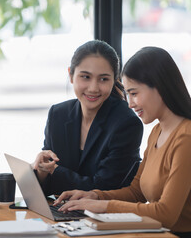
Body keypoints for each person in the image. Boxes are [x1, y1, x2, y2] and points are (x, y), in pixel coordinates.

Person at [54, 47, 191, 237]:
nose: (130, 104)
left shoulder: (188, 138)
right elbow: (137, 192)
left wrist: (103, 206)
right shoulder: (158, 131)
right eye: (128, 94)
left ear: (160, 87)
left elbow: (166, 214)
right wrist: (94, 196)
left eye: (134, 93)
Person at [32, 40, 143, 196]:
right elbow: (49, 189)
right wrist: (42, 170)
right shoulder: (58, 114)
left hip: (106, 217)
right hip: (62, 214)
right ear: (71, 75)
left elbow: (104, 188)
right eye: (85, 77)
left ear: (114, 80)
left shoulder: (126, 123)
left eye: (104, 79)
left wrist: (56, 172)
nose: (93, 88)